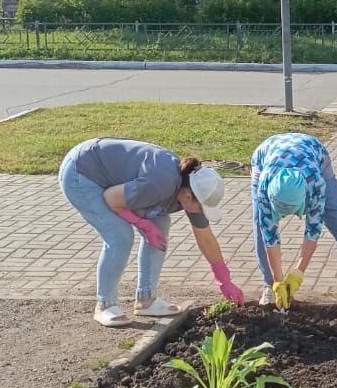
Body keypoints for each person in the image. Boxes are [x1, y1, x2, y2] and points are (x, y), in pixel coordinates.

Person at [59, 138, 244, 326]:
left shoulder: (190, 188)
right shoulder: (160, 184)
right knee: (121, 236)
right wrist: (145, 226)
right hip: (81, 172)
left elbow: (206, 239)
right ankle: (104, 305)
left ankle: (146, 300)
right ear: (188, 197)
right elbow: (112, 199)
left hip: (112, 179)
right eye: (202, 208)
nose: (201, 213)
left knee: (161, 223)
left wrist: (224, 280)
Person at [249, 131, 337, 309]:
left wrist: (298, 274)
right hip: (265, 155)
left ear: (304, 200)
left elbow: (312, 232)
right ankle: (269, 286)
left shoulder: (316, 184)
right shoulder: (264, 190)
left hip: (314, 152)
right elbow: (269, 238)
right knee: (260, 224)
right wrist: (278, 281)